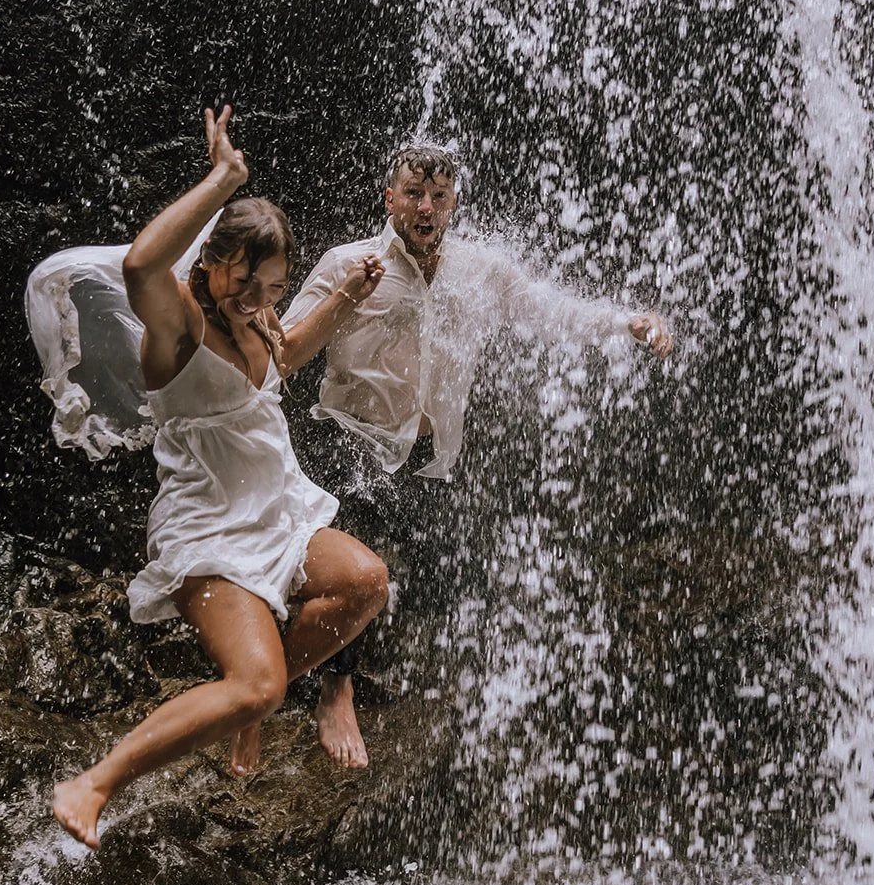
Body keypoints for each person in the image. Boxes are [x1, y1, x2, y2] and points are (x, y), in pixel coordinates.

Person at [52, 107, 389, 848]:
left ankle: (251, 715)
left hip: (279, 513)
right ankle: (94, 782)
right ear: (211, 259)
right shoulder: (177, 327)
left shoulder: (259, 320)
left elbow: (289, 355)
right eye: (244, 279)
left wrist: (341, 299)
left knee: (365, 582)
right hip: (208, 526)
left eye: (271, 285)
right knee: (256, 680)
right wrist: (223, 178)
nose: (256, 298)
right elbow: (140, 263)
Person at [280, 145, 674, 769]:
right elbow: (283, 350)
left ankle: (370, 661)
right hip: (347, 436)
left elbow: (548, 310)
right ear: (390, 199)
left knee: (448, 566)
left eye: (438, 197)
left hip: (423, 454)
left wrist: (624, 323)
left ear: (454, 203)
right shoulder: (349, 264)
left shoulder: (479, 270)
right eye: (413, 194)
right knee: (363, 528)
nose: (425, 208)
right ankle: (334, 688)